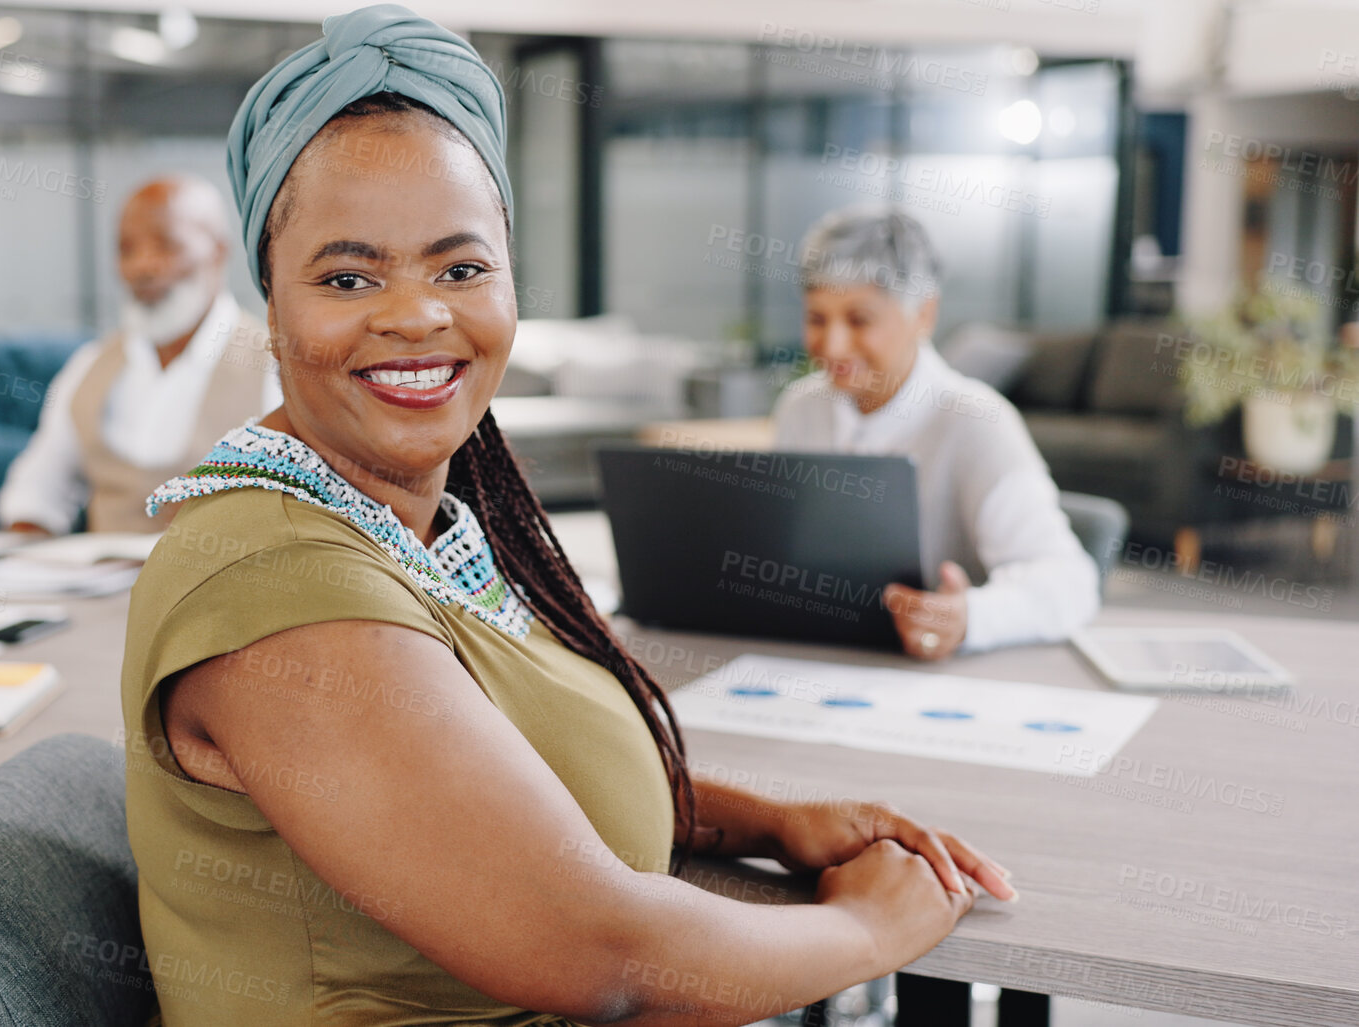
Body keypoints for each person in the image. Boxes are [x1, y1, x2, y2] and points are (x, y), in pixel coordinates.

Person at [117, 9, 1016, 1025]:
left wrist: (767, 823)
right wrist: (871, 931)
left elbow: (501, 777)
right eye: (349, 275)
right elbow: (609, 960)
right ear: (269, 300)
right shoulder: (273, 581)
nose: (417, 314)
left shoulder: (430, 525)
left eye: (460, 267)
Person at [774, 206, 1102, 660]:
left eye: (859, 320)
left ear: (924, 316)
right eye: (816, 319)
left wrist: (968, 617)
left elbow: (1070, 582)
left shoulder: (977, 421)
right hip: (819, 662)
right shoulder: (801, 408)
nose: (832, 346)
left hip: (939, 681)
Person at [0, 175, 278, 535]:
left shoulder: (273, 366)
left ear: (219, 252)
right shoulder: (90, 365)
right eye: (126, 249)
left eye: (167, 246)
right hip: (96, 585)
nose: (143, 266)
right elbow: (36, 491)